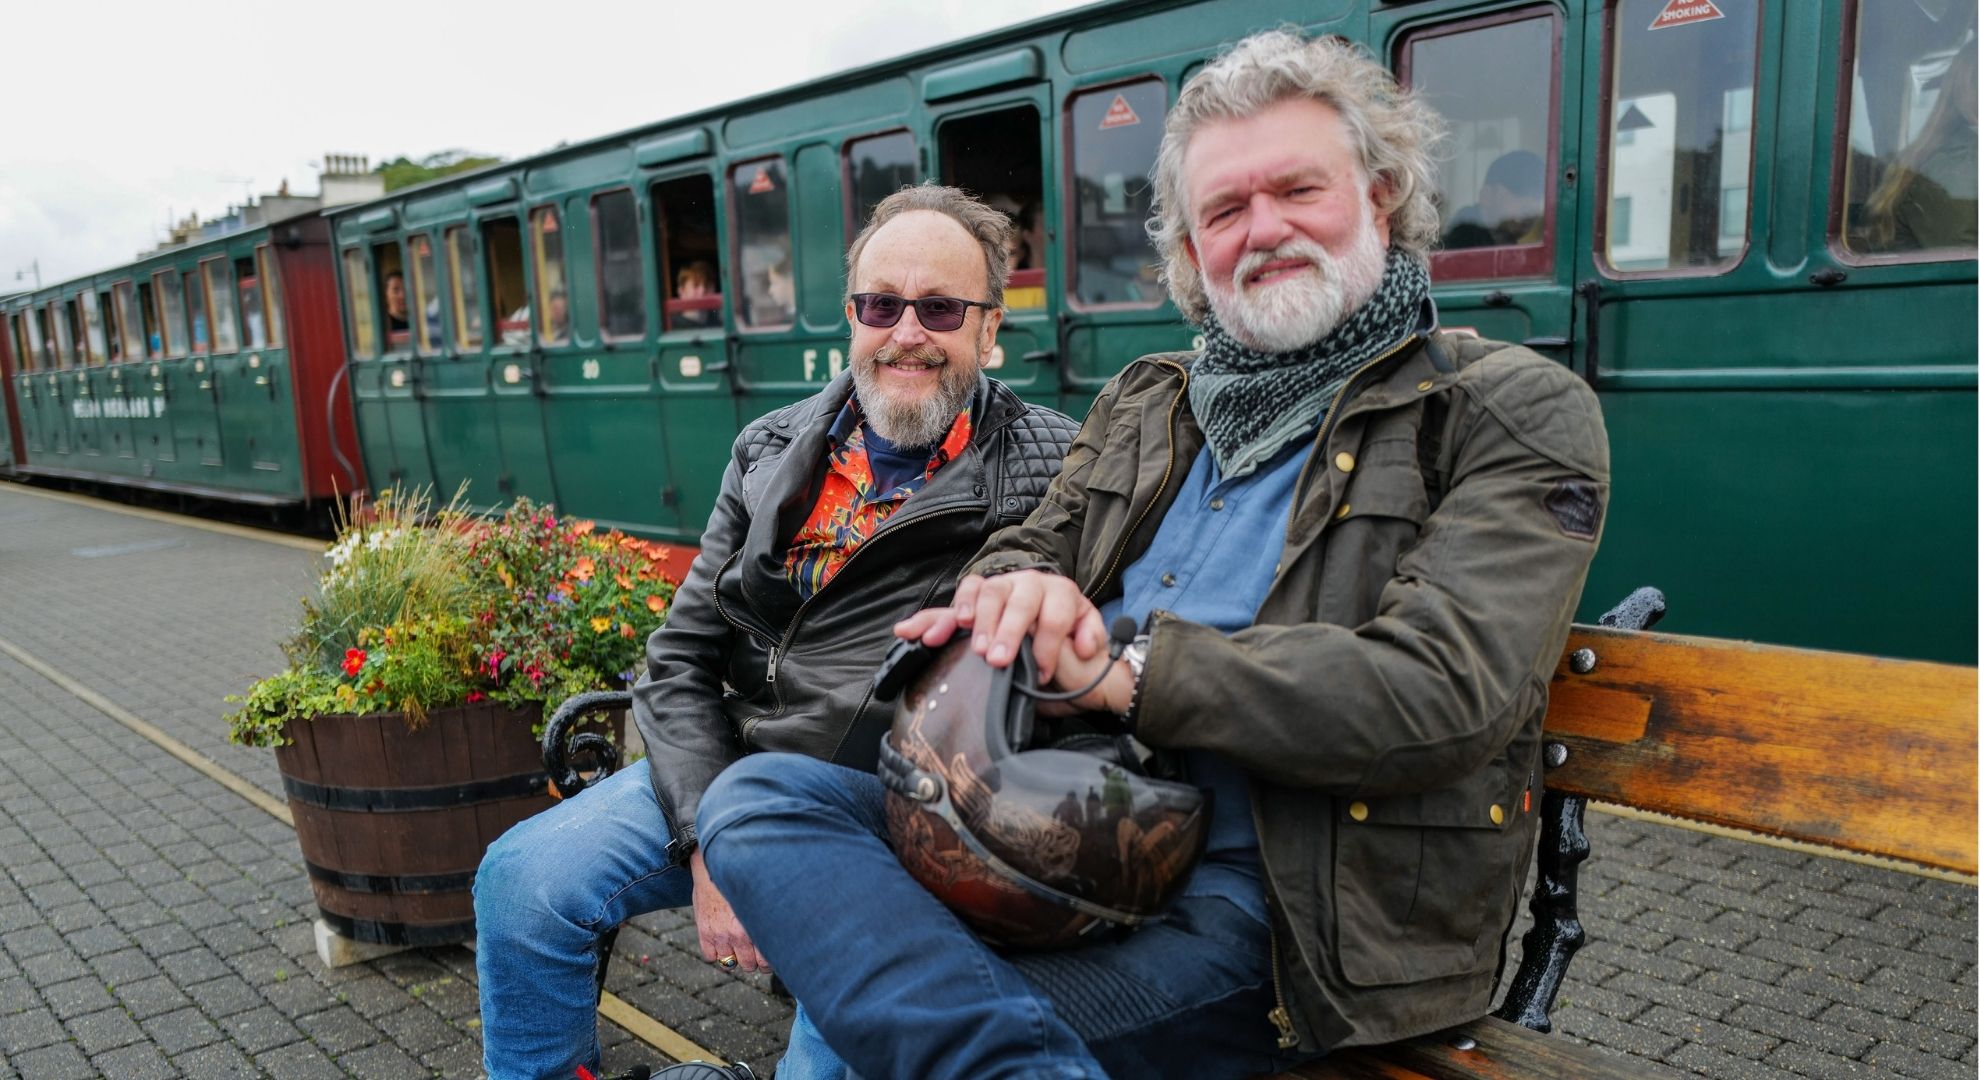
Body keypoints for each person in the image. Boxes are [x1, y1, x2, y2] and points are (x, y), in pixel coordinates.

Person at [695, 29, 1609, 1080]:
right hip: (1048, 817)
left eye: (1298, 190)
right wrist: (1014, 587)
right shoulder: (1154, 396)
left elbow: (1445, 692)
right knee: (758, 801)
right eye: (1224, 211)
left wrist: (1126, 678)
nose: (1262, 230)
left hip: (1275, 913)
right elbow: (1029, 544)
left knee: (867, 1029)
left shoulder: (1505, 409)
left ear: (1383, 198)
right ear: (1189, 255)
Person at [472, 185, 1081, 1080]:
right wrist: (711, 831)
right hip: (722, 772)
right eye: (882, 305)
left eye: (941, 308)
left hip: (885, 808)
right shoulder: (770, 445)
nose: (907, 331)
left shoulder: (1056, 469)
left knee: (828, 1051)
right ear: (852, 319)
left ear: (990, 331)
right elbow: (678, 656)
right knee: (521, 884)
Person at [1441, 148, 1546, 249]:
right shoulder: (1460, 244)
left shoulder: (1504, 239)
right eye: (1519, 193)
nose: (1530, 205)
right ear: (1486, 196)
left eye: (1536, 195)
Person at [673, 260, 720, 329]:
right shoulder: (672, 326)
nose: (703, 291)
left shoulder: (720, 320)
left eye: (707, 285)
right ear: (682, 291)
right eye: (696, 285)